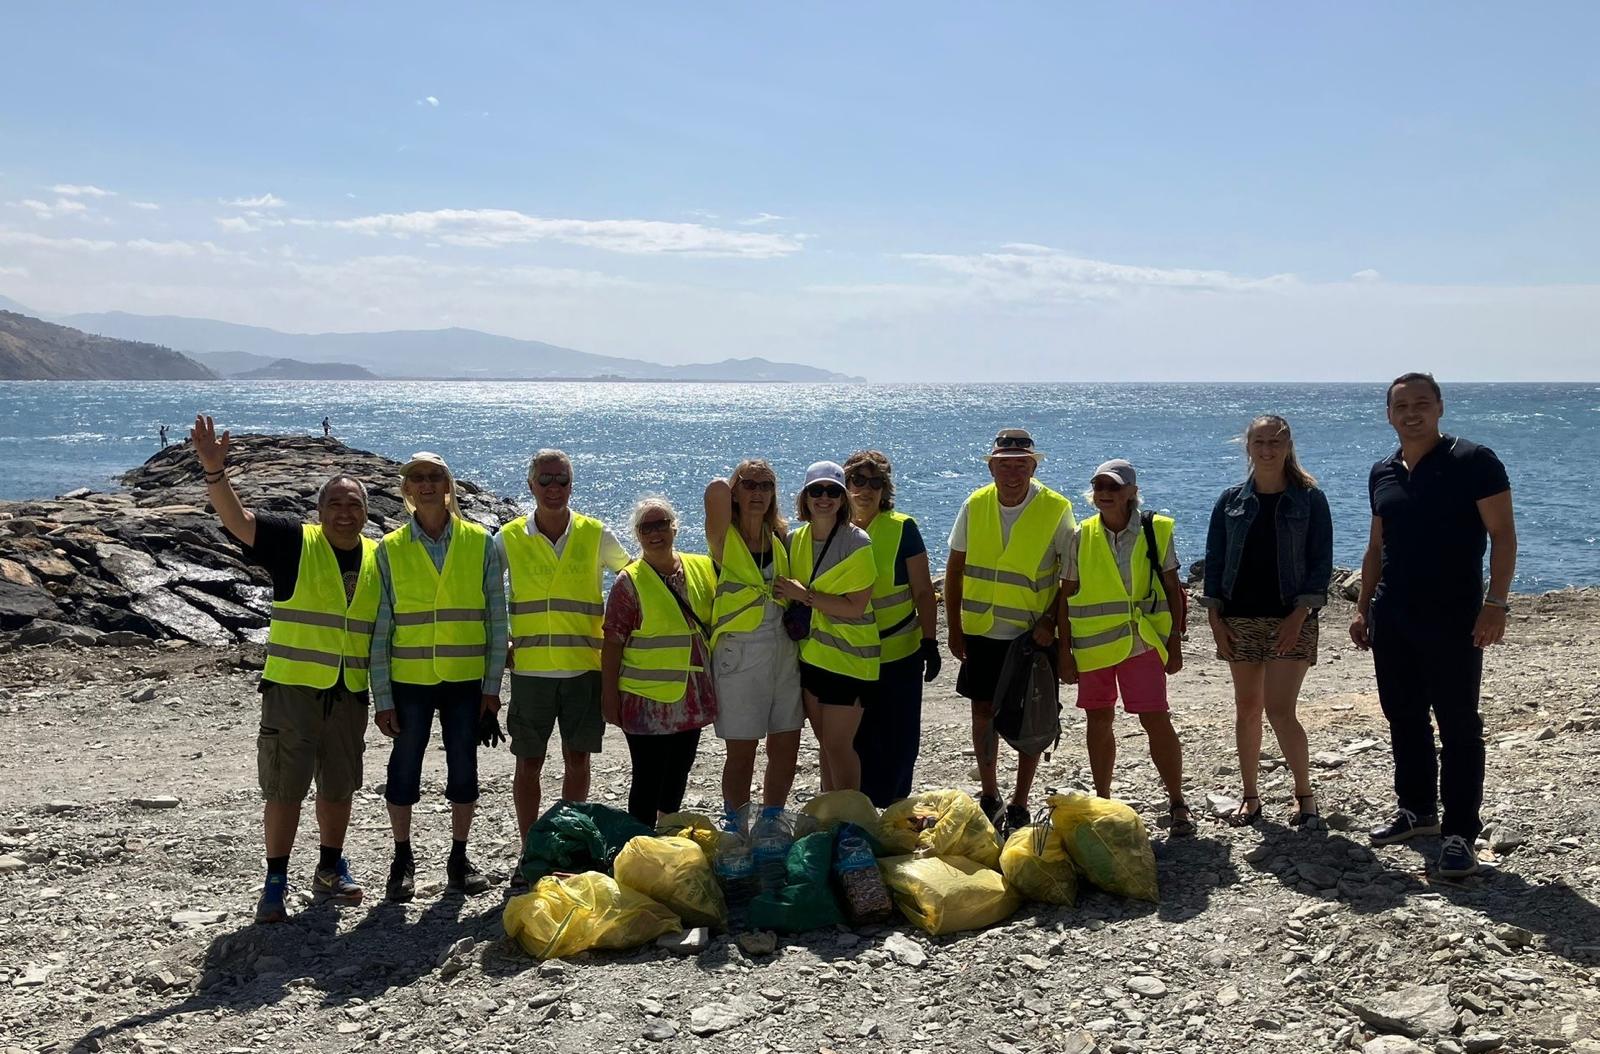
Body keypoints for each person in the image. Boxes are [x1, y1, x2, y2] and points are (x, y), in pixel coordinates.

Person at [188, 413, 374, 924]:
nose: (344, 513)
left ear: (366, 512)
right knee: (285, 789)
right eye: (335, 504)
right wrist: (213, 470)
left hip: (350, 691)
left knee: (339, 787)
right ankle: (275, 880)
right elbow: (239, 522)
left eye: (354, 504)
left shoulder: (379, 557)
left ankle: (330, 868)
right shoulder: (295, 541)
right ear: (319, 510)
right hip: (292, 691)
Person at [1352, 372, 1516, 878]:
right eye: (1401, 406)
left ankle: (1460, 834)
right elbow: (1377, 545)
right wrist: (1362, 606)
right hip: (1393, 614)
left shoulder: (1473, 460)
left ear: (1439, 407)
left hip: (1454, 616)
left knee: (1458, 724)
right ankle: (1417, 810)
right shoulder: (1383, 471)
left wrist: (1496, 603)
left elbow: (1503, 535)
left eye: (1421, 403)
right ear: (1389, 415)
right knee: (1403, 716)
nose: (1412, 413)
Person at [371, 451, 506, 900]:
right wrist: (382, 697)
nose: (426, 484)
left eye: (434, 476)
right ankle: (402, 858)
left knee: (464, 766)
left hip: (465, 680)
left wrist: (492, 688)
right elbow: (382, 626)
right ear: (407, 488)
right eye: (418, 478)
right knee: (404, 766)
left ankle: (459, 857)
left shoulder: (480, 542)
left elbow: (497, 620)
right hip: (409, 680)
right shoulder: (390, 548)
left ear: (448, 485)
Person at [498, 450, 630, 888]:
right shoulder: (509, 537)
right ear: (530, 484)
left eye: (562, 480)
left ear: (572, 484)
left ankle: (569, 847)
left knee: (578, 759)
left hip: (583, 669)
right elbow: (481, 591)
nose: (554, 488)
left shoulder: (595, 533)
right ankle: (529, 850)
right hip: (531, 672)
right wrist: (500, 642)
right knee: (528, 763)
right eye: (545, 480)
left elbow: (633, 578)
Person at [1201, 416, 1333, 827]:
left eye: (1275, 442)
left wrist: (1300, 616)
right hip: (1238, 618)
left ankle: (1304, 795)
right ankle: (1250, 796)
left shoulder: (1309, 500)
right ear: (1248, 446)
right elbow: (1215, 562)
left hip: (1290, 619)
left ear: (1288, 445)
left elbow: (1320, 564)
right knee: (1246, 709)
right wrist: (1214, 619)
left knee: (1280, 710)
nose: (1267, 449)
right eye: (1259, 442)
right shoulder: (1230, 502)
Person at [945, 429, 1074, 833]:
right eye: (1004, 465)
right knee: (982, 713)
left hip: (1030, 636)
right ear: (992, 468)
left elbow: (1070, 578)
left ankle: (1020, 801)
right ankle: (989, 795)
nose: (1012, 473)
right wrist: (954, 628)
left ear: (1033, 467)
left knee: (1029, 719)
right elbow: (954, 568)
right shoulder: (975, 503)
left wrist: (1051, 622)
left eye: (1021, 465)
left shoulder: (1056, 508)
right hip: (981, 631)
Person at [1059, 459, 1192, 835]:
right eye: (1099, 486)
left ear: (1131, 492)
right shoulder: (1080, 535)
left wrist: (1175, 642)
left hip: (1142, 641)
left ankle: (1177, 801)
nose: (1104, 493)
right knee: (1099, 720)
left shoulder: (1156, 529)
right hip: (1094, 646)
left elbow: (1172, 588)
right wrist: (1063, 652)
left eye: (1113, 487)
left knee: (1156, 719)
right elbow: (1064, 597)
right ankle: (1103, 800)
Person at [601, 497, 718, 825]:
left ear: (674, 527)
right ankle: (638, 841)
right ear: (637, 535)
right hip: (645, 702)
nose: (655, 533)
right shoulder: (629, 581)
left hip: (691, 698)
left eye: (661, 524)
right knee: (647, 777)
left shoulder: (702, 567)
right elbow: (612, 644)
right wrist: (608, 697)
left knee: (679, 771)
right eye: (646, 527)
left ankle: (665, 835)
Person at [704, 459, 803, 831]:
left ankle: (771, 823)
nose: (758, 493)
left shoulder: (779, 538)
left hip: (782, 650)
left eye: (766, 486)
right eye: (749, 485)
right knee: (742, 751)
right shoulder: (723, 538)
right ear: (736, 491)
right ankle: (736, 826)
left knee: (786, 744)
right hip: (739, 653)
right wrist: (734, 483)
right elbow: (715, 490)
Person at [775, 461, 879, 793]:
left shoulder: (857, 541)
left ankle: (848, 814)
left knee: (838, 745)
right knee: (825, 744)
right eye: (816, 491)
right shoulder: (794, 539)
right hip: (812, 657)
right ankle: (830, 806)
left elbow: (855, 606)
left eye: (832, 491)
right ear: (805, 497)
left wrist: (804, 596)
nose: (824, 498)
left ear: (843, 498)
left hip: (850, 660)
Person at [844, 450, 940, 807]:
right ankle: (855, 813)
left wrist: (930, 642)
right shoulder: (833, 528)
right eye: (857, 480)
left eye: (875, 482)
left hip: (898, 656)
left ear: (885, 489)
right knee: (853, 742)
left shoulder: (903, 528)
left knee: (899, 742)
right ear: (845, 484)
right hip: (848, 657)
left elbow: (923, 592)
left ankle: (894, 811)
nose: (866, 490)